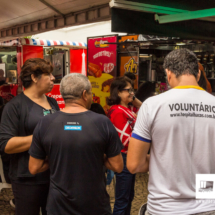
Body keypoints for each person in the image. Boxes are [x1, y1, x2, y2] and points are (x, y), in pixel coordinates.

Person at [127, 48, 215, 215]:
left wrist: (166, 159)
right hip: (209, 205)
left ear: (168, 74)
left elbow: (134, 164)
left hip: (165, 207)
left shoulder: (152, 105)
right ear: (197, 75)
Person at [28, 73, 124, 215]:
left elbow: (34, 167)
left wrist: (57, 158)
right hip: (94, 205)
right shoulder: (102, 123)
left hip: (58, 206)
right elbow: (117, 166)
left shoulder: (45, 123)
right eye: (91, 93)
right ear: (84, 94)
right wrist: (95, 156)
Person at [0, 58, 59, 215]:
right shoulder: (14, 106)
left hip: (53, 175)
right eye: (49, 74)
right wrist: (41, 136)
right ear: (34, 77)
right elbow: (6, 145)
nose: (53, 78)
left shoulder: (53, 103)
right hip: (27, 178)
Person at [107, 77, 141, 215]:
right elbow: (126, 140)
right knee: (122, 200)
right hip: (124, 156)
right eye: (128, 90)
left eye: (133, 90)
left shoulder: (127, 108)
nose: (132, 93)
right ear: (118, 92)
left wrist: (131, 95)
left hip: (129, 155)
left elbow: (144, 107)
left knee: (128, 197)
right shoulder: (117, 111)